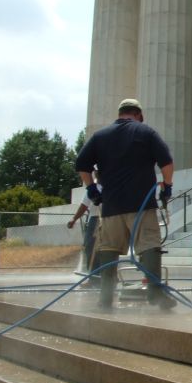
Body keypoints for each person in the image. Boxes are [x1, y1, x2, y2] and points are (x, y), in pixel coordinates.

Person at [75, 98, 176, 310]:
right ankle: (155, 293)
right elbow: (166, 162)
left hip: (111, 207)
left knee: (109, 248)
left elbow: (82, 165)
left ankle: (105, 297)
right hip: (142, 205)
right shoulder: (146, 132)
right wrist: (167, 187)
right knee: (149, 244)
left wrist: (91, 189)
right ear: (138, 114)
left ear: (120, 113)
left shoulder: (100, 136)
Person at [67, 170, 102, 285]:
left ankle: (107, 277)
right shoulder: (93, 187)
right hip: (95, 219)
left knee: (107, 250)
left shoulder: (111, 184)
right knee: (90, 248)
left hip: (108, 218)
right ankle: (94, 278)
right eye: (96, 171)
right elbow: (84, 205)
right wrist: (74, 219)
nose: (97, 173)